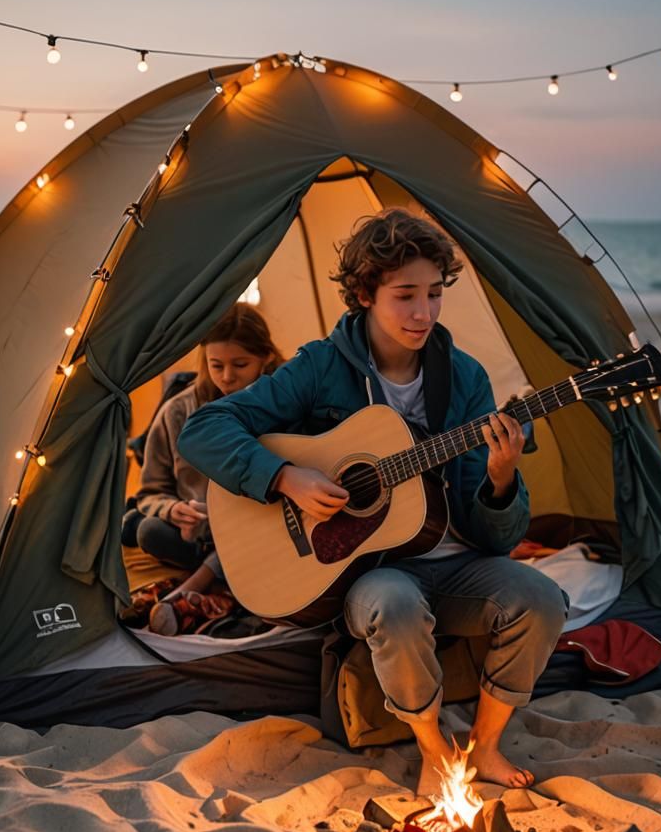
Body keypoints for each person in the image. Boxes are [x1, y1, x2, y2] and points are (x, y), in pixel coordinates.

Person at [179, 209, 568, 793]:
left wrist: (501, 480)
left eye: (435, 294)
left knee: (541, 596)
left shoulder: (465, 380)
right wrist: (284, 477)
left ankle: (484, 746)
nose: (424, 313)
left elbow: (496, 538)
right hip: (367, 569)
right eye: (405, 295)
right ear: (365, 293)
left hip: (454, 561)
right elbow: (204, 429)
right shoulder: (318, 367)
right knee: (395, 606)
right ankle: (435, 748)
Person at [133, 303, 283, 629]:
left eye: (240, 365)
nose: (227, 377)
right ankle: (220, 586)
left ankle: (191, 589)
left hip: (268, 530)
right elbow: (150, 492)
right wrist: (172, 510)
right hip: (203, 536)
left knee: (264, 536)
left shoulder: (285, 402)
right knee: (149, 530)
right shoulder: (178, 412)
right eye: (217, 365)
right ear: (204, 360)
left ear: (265, 357)